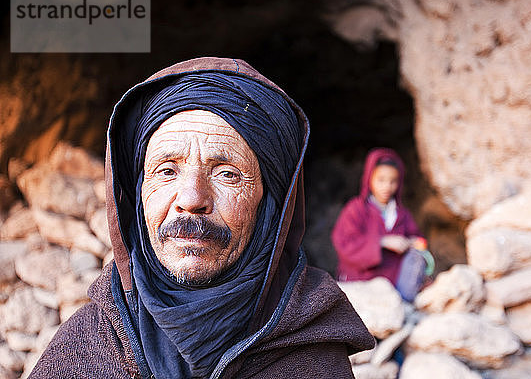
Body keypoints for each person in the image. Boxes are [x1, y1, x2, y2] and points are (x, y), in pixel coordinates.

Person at [30, 57, 374, 378]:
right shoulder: (89, 345)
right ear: (138, 198)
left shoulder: (310, 355)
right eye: (166, 172)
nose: (192, 199)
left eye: (227, 174)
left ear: (270, 205)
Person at [331, 148, 429, 302]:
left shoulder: (401, 214)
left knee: (416, 257)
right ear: (369, 178)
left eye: (393, 181)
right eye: (381, 180)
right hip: (361, 282)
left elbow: (419, 240)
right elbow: (344, 243)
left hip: (394, 287)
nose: (387, 187)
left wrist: (410, 243)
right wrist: (382, 241)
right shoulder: (356, 209)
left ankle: (405, 301)